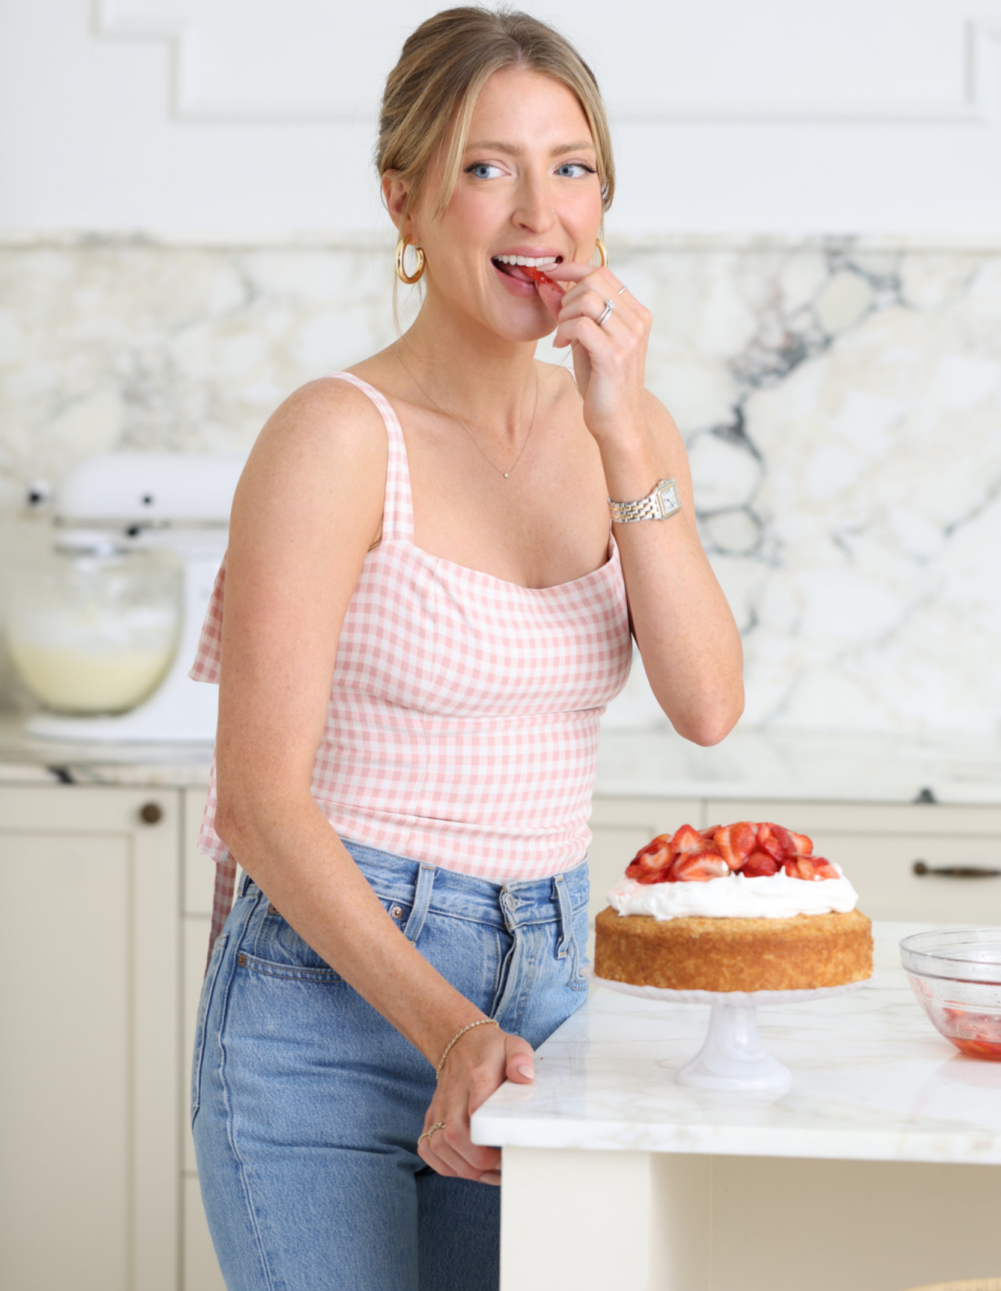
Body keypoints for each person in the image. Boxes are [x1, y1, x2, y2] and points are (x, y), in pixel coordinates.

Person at [189, 7, 744, 1290]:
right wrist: (448, 1033)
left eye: (572, 166)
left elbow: (706, 702)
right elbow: (259, 804)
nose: (538, 213)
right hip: (326, 996)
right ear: (406, 201)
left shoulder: (630, 426)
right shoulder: (333, 436)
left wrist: (621, 439)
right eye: (486, 167)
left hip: (546, 992)